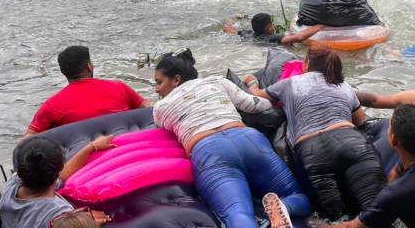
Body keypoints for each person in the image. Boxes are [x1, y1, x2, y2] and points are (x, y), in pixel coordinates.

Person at [152, 48, 311, 228]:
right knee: (300, 196)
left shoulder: (160, 108)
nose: (157, 89)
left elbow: (163, 132)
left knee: (237, 214)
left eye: (159, 82)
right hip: (250, 141)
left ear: (176, 80)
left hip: (210, 152)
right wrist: (269, 98)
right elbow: (256, 105)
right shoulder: (217, 81)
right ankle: (284, 206)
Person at [245, 44, 386, 221]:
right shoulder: (343, 85)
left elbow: (256, 96)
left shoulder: (289, 83)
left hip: (311, 153)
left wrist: (252, 81)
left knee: (334, 219)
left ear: (307, 62)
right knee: (377, 214)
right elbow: (362, 123)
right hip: (351, 143)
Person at [314, 104, 415, 228]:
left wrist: (314, 224)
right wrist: (381, 198)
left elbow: (353, 226)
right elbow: (397, 170)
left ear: (394, 141)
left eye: (389, 128)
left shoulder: (400, 191)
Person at [22, 46, 153, 139]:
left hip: (84, 165)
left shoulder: (51, 105)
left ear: (62, 71)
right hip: (126, 150)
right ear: (89, 67)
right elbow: (149, 107)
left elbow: (27, 140)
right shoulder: (119, 87)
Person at [0, 135, 116, 228]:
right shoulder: (58, 215)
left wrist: (92, 146)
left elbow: (62, 175)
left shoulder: (13, 182)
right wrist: (88, 222)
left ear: (19, 172)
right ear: (60, 168)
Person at [223, 12, 325, 44]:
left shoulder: (247, 34)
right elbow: (299, 38)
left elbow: (227, 29)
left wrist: (232, 20)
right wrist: (322, 25)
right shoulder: (273, 38)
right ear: (269, 30)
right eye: (272, 24)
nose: (273, 25)